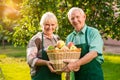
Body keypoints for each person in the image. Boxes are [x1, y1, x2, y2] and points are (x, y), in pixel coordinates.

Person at [63, 7, 104, 80]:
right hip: (77, 77)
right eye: (72, 18)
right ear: (70, 21)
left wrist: (76, 64)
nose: (75, 20)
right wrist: (67, 76)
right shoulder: (69, 38)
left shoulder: (93, 32)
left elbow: (94, 53)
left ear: (84, 17)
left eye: (77, 17)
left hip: (93, 75)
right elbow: (67, 60)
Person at [26, 12, 61, 80]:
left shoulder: (57, 39)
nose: (50, 27)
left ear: (56, 25)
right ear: (42, 25)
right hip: (40, 77)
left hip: (56, 77)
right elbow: (30, 59)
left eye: (52, 24)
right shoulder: (36, 39)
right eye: (47, 25)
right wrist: (45, 63)